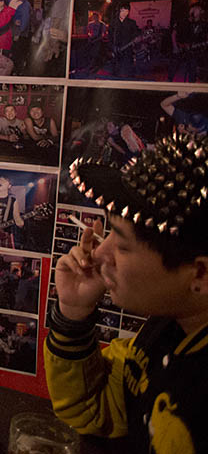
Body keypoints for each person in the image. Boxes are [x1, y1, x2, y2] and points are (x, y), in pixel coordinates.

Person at [46, 133, 208, 452]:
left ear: (200, 274)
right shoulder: (169, 325)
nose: (99, 253)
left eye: (121, 244)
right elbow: (97, 413)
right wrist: (73, 316)